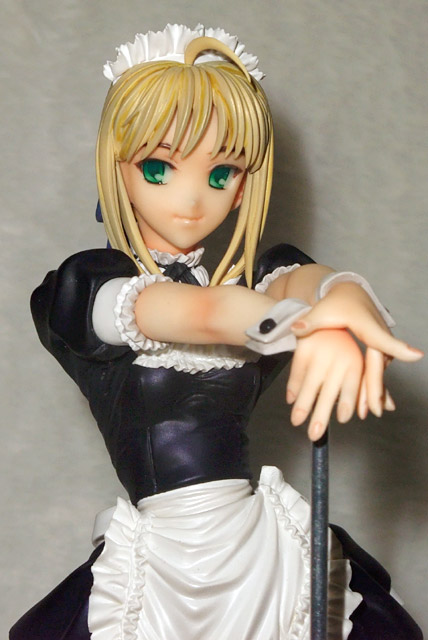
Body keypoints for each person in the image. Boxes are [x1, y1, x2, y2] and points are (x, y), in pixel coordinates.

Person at [10, 24, 423, 640]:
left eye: (222, 172)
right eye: (158, 167)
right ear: (115, 166)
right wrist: (300, 325)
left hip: (258, 550)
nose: (192, 199)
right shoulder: (87, 291)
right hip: (166, 559)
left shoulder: (258, 274)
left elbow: (307, 281)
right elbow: (199, 312)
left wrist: (340, 304)